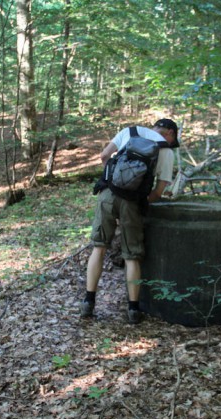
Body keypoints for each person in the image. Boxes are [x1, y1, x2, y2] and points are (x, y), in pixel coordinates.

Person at [80, 119, 179, 324]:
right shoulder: (166, 151)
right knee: (132, 255)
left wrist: (112, 182)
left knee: (99, 248)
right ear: (170, 133)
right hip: (132, 203)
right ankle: (133, 310)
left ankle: (88, 303)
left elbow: (104, 155)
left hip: (107, 194)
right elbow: (159, 190)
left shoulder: (130, 131)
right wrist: (139, 199)